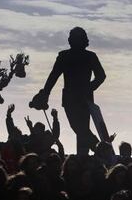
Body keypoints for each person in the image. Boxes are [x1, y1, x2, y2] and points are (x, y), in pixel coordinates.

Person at [30, 27, 106, 155]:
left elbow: (101, 76)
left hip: (83, 100)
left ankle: (99, 150)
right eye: (74, 38)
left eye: (78, 38)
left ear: (83, 40)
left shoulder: (90, 56)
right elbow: (54, 75)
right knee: (79, 128)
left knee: (81, 129)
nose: (75, 41)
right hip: (71, 99)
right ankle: (96, 151)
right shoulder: (64, 56)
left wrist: (89, 88)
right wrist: (45, 93)